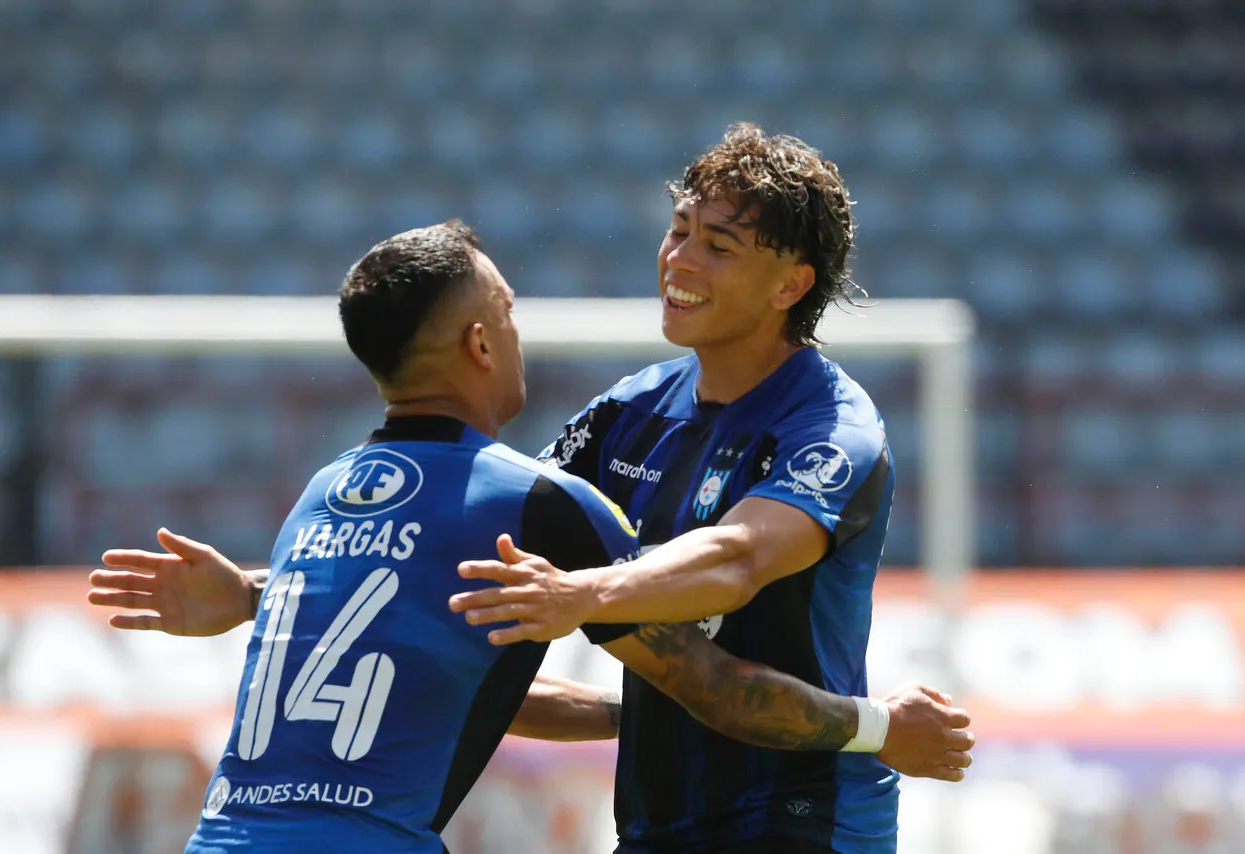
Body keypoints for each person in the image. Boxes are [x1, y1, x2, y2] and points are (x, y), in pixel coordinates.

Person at [88, 220, 970, 854]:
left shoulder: (323, 497)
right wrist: (879, 726)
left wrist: (253, 595)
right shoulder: (543, 497)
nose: (678, 257)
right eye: (508, 314)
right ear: (480, 342)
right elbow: (707, 683)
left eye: (715, 241)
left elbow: (461, 678)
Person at [443, 123, 946, 854]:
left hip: (801, 819)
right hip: (655, 826)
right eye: (679, 231)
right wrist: (264, 591)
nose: (680, 260)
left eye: (719, 246)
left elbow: (736, 560)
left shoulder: (832, 431)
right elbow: (479, 540)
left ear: (790, 284)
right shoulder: (629, 413)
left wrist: (580, 595)